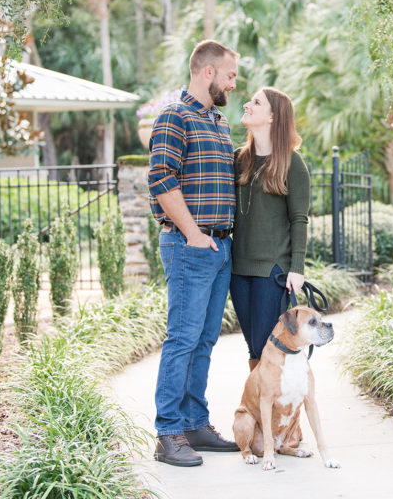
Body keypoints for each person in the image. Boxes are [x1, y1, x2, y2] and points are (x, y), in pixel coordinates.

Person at [148, 39, 241, 467]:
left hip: (220, 245)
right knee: (182, 339)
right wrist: (193, 235)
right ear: (208, 73)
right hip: (191, 245)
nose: (233, 84)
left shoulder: (219, 121)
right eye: (230, 75)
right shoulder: (175, 116)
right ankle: (168, 433)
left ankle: (194, 424)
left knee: (204, 339)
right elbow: (162, 179)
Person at [229, 87, 310, 376]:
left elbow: (299, 219)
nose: (248, 105)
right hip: (238, 272)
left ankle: (277, 419)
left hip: (272, 271)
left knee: (268, 347)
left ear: (273, 117)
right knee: (254, 348)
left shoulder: (292, 162)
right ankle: (263, 415)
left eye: (256, 102)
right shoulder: (239, 159)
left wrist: (296, 269)